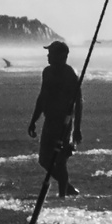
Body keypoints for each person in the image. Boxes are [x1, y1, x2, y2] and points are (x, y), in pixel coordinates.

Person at [28, 40, 82, 197]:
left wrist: (77, 128)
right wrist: (34, 120)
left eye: (51, 53)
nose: (48, 56)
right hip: (49, 121)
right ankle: (67, 187)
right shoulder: (47, 72)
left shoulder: (70, 74)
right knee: (44, 160)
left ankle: (62, 195)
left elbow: (78, 102)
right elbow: (42, 97)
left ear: (62, 56)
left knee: (60, 160)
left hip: (64, 124)